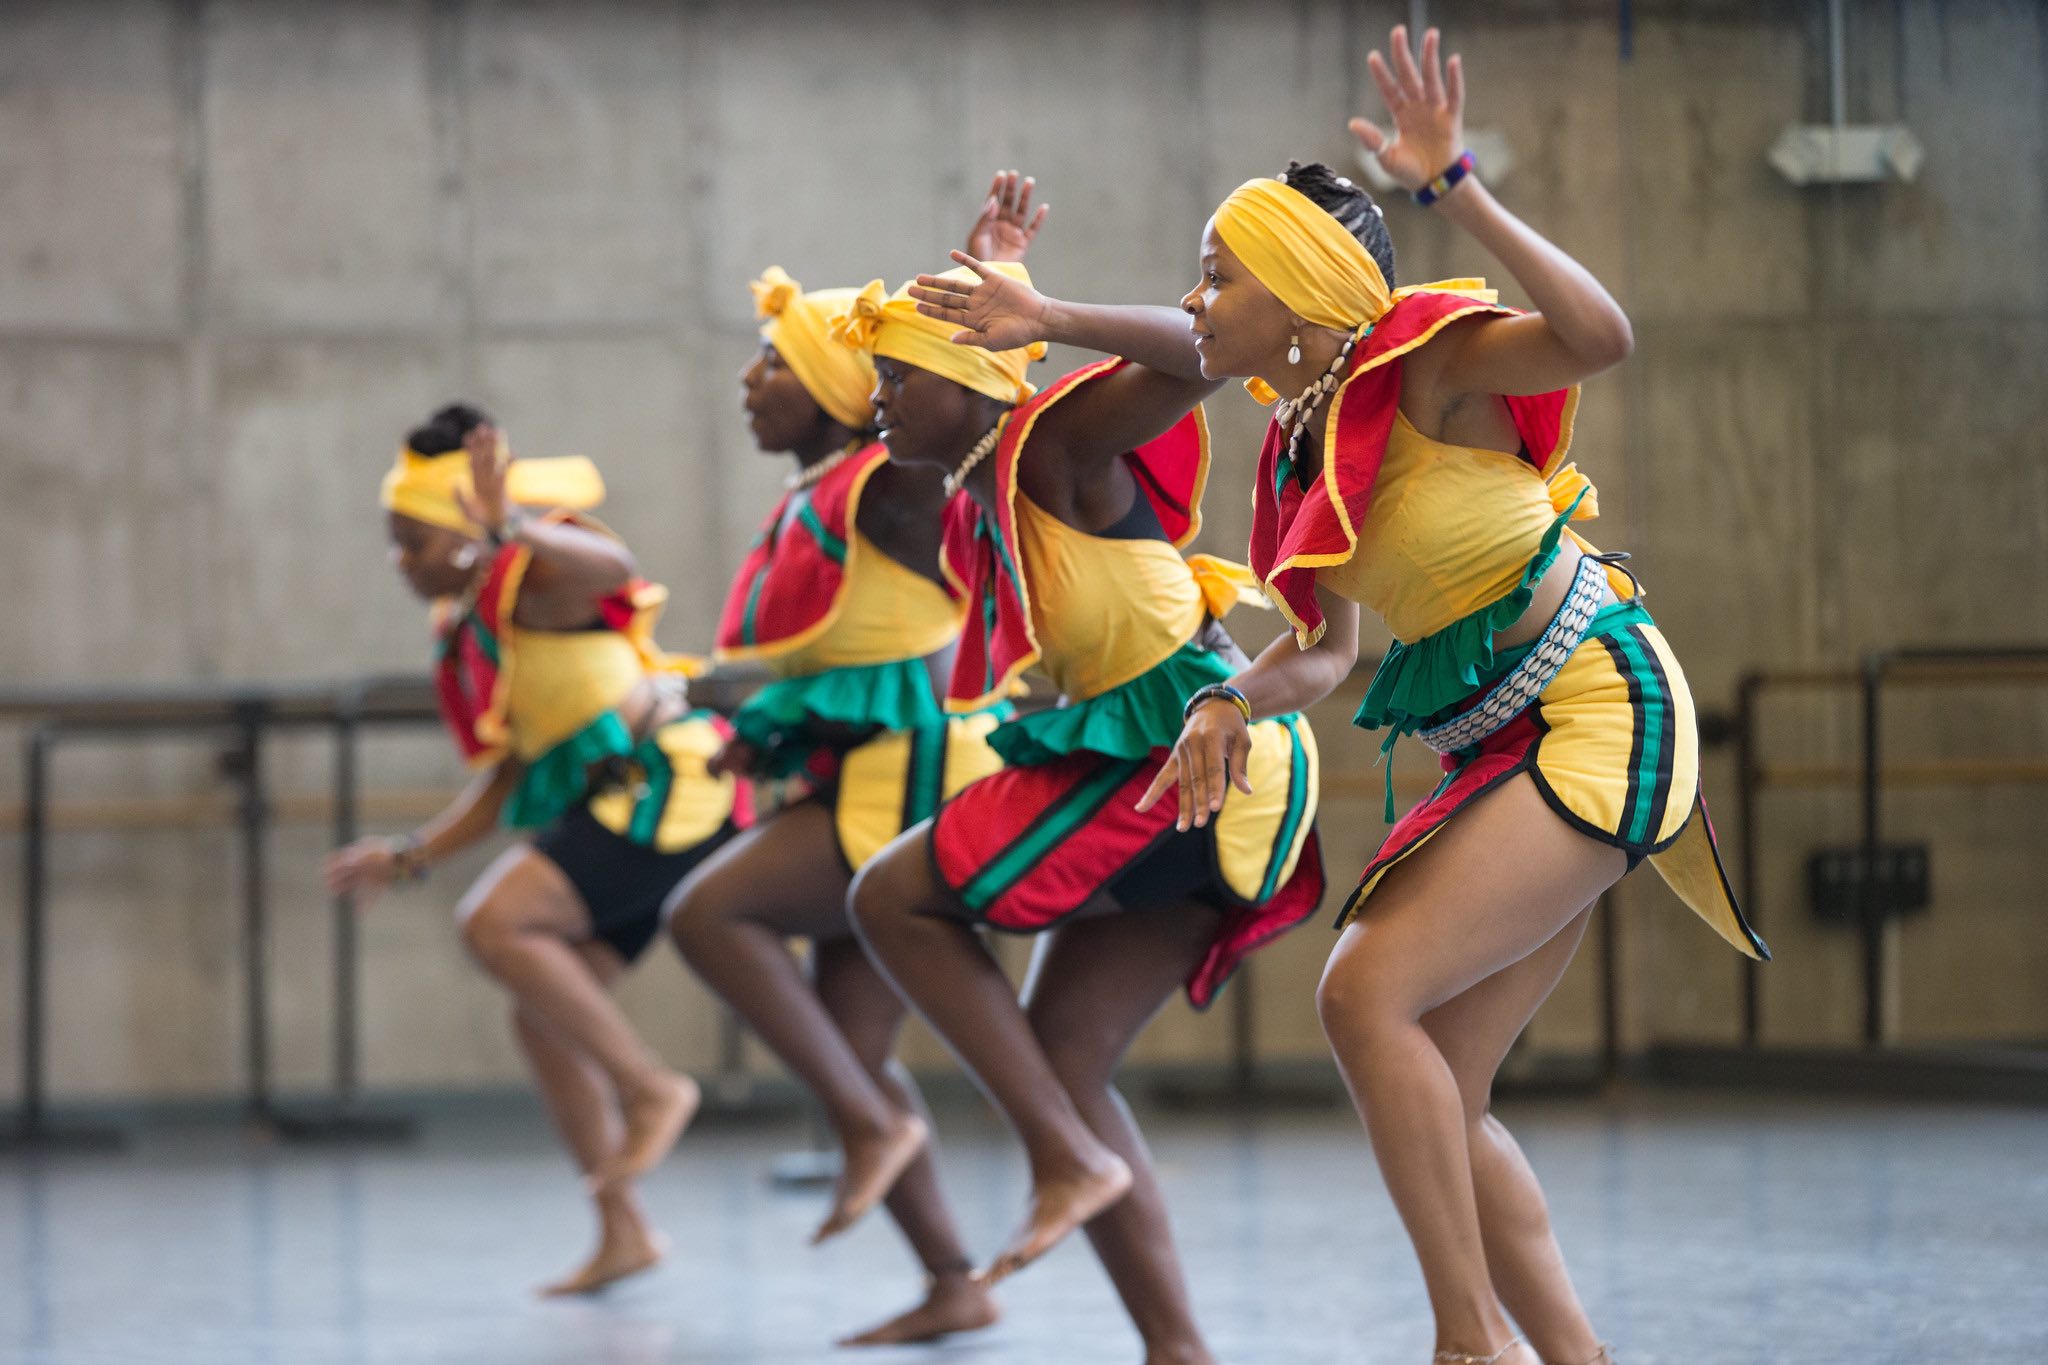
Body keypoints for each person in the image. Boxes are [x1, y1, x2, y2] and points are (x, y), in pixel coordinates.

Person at [909, 25, 1769, 1365]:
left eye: (1215, 277)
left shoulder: (1426, 358)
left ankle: (1467, 1339)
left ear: (1304, 295)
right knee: (1447, 1080)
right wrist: (1225, 704)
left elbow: (1602, 337)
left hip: (1604, 704)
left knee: (1363, 1000)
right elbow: (1319, 651)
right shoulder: (1300, 453)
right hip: (1502, 740)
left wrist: (1457, 187)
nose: (1195, 304)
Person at [839, 248, 1325, 1365]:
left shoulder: (1049, 446)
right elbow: (911, 457)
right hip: (1179, 757)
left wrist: (1045, 312)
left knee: (892, 896)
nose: (875, 405)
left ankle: (1062, 1159)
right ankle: (1176, 1348)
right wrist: (991, 279)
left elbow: (1195, 349)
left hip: (1197, 747)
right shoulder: (979, 483)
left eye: (892, 383)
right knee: (1062, 1056)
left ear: (961, 383)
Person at [661, 175, 1043, 1347]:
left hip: (905, 777)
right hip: (853, 773)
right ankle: (950, 1278)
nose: (748, 380)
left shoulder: (887, 485)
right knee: (856, 1049)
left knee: (707, 914)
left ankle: (871, 1138)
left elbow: (981, 469)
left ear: (839, 392)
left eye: (773, 362)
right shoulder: (821, 491)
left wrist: (990, 304)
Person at [326, 405, 747, 1296]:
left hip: (673, 790)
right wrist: (404, 855)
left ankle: (647, 1088)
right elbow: (507, 777)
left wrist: (511, 522)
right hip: (620, 804)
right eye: (395, 545)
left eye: (417, 542)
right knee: (541, 1012)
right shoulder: (479, 621)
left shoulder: (536, 574)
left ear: (471, 532)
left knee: (495, 921)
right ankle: (624, 1229)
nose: (405, 562)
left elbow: (619, 566)